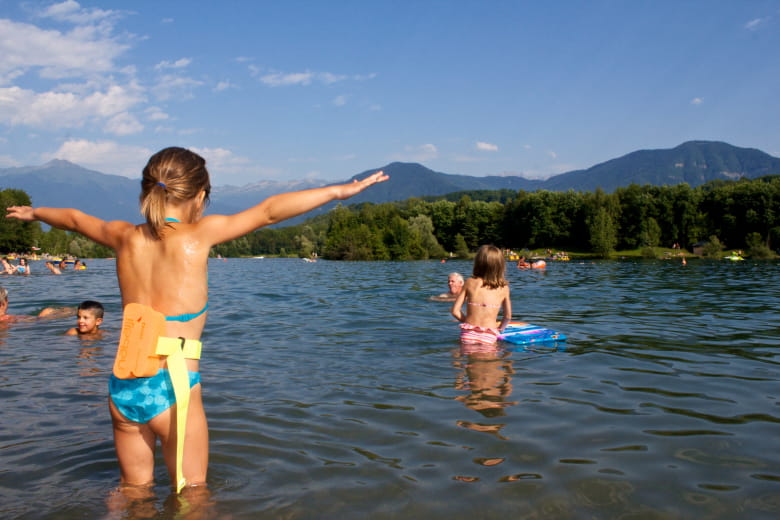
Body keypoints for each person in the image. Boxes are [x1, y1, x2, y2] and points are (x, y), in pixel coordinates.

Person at [6, 146, 388, 494]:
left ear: (147, 192)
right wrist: (339, 191)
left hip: (123, 384)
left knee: (130, 493)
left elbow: (73, 219)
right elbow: (270, 211)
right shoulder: (201, 234)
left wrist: (33, 213)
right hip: (174, 387)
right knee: (193, 498)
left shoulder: (123, 237)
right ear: (200, 196)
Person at [451, 245, 512, 346]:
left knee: (467, 360)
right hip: (489, 335)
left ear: (478, 263)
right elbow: (508, 316)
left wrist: (469, 323)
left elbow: (455, 311)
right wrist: (500, 330)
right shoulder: (504, 288)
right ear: (500, 266)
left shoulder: (469, 282)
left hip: (468, 334)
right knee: (491, 360)